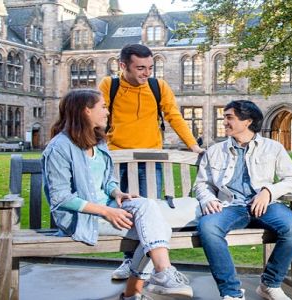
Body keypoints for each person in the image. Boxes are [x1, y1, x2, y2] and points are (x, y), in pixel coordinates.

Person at [42, 89, 193, 300]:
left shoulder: (97, 141)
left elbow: (107, 180)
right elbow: (61, 197)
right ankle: (142, 287)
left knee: (147, 209)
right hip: (82, 219)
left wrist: (117, 192)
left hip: (108, 208)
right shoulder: (59, 148)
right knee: (156, 230)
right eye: (102, 107)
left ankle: (160, 275)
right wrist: (106, 211)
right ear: (86, 111)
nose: (107, 111)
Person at [99, 44, 203, 279]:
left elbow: (174, 116)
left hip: (150, 161)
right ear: (123, 66)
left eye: (150, 68)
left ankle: (144, 265)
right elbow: (97, 117)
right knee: (124, 213)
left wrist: (193, 145)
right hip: (116, 160)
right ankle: (130, 262)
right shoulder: (109, 85)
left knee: (150, 212)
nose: (147, 73)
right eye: (140, 68)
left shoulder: (158, 86)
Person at [193, 100, 292, 300]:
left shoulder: (273, 148)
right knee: (208, 227)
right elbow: (202, 184)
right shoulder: (215, 151)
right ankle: (232, 293)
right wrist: (207, 199)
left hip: (265, 205)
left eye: (229, 117)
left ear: (248, 121)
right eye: (224, 116)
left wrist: (268, 191)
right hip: (229, 206)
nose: (224, 121)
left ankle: (269, 284)